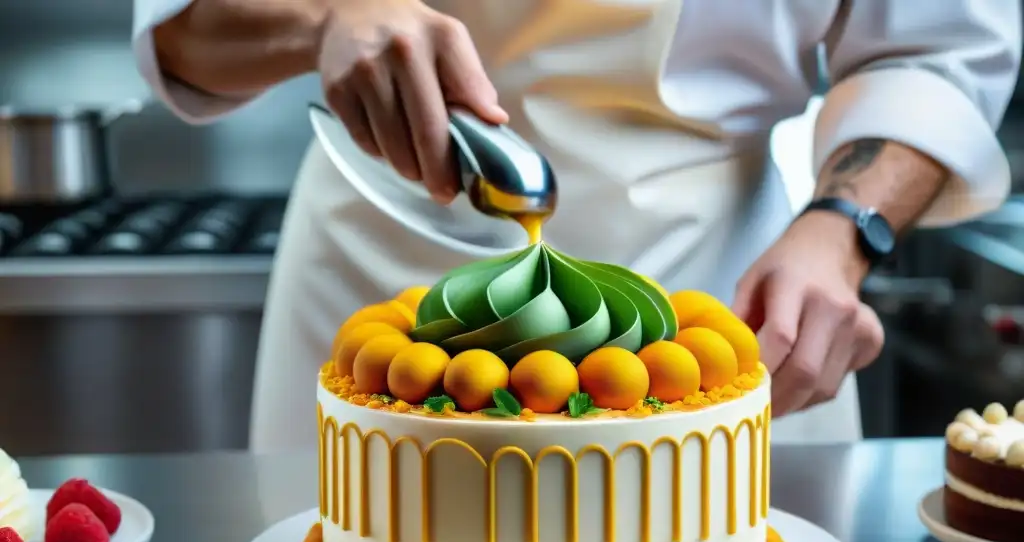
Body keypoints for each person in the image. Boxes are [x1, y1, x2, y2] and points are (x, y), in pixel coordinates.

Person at [132, 0, 1020, 453]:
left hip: (722, 311)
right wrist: (326, 17)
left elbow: (933, 45)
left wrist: (841, 229)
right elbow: (182, 29)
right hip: (383, 263)